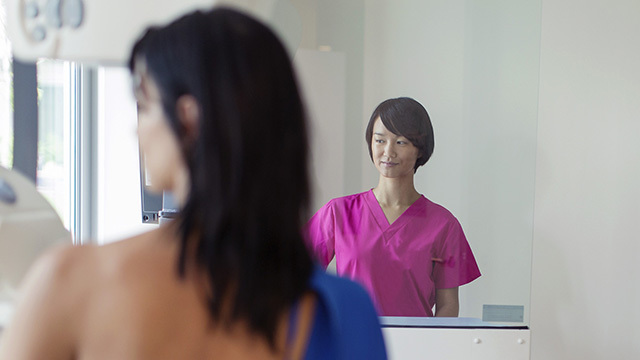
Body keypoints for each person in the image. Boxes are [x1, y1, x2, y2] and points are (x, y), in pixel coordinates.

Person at [0, 7, 387, 360]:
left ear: (187, 120)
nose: (137, 130)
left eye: (146, 106)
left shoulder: (72, 282)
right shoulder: (345, 312)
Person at [305, 97, 481, 317]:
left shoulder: (444, 225)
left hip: (416, 347)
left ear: (420, 149)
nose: (388, 152)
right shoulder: (339, 213)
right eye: (380, 140)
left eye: (401, 142)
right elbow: (298, 277)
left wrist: (432, 349)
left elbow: (448, 305)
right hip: (352, 345)